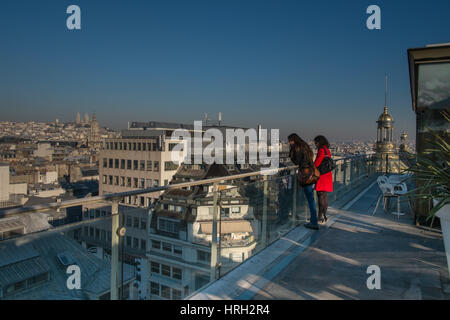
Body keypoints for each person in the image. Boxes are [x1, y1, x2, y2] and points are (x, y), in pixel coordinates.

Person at [288, 133, 319, 230]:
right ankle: (313, 219)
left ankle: (314, 222)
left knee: (310, 199)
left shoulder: (297, 148)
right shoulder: (306, 146)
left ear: (294, 140)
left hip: (305, 175)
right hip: (311, 173)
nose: (289, 142)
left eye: (290, 140)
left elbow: (296, 161)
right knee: (311, 198)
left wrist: (291, 151)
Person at [314, 135, 333, 224]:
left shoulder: (321, 150)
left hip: (322, 176)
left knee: (320, 196)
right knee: (324, 196)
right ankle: (324, 215)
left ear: (319, 142)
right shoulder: (327, 150)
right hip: (327, 175)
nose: (315, 145)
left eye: (316, 143)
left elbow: (317, 163)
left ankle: (319, 217)